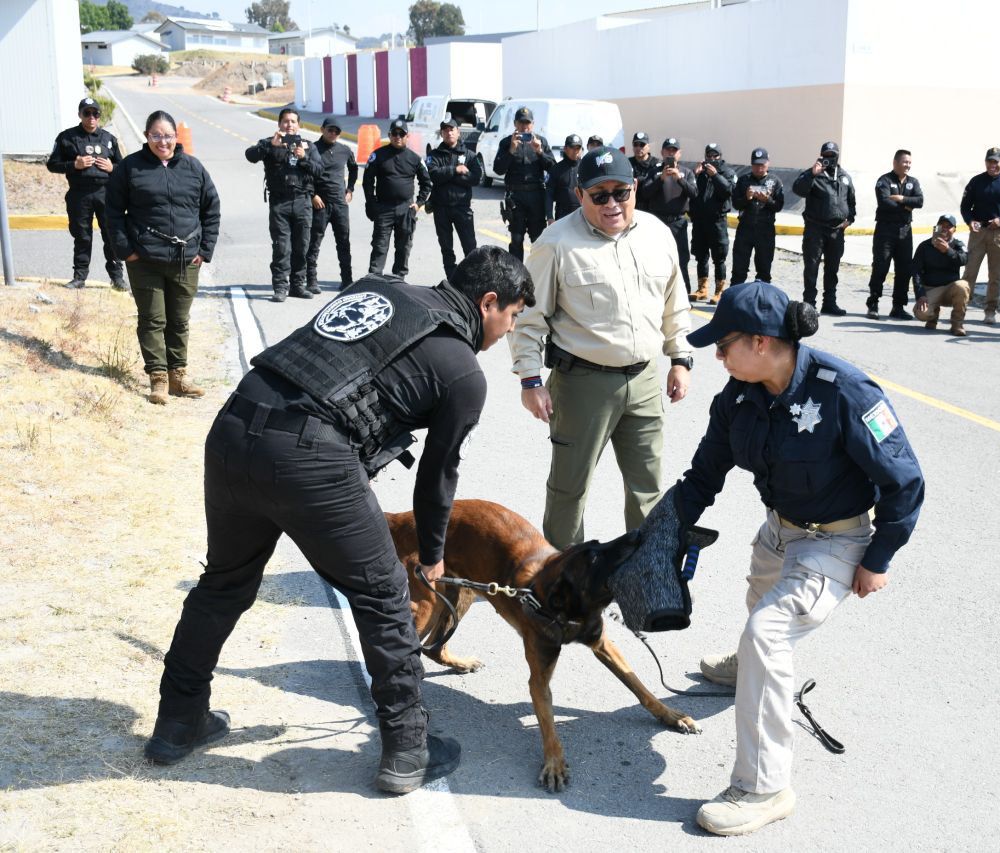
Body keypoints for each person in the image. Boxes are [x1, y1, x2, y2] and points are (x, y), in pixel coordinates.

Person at [143, 247, 536, 795]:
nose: (509, 329)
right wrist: (432, 554)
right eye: (513, 315)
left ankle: (177, 722)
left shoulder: (380, 287)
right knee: (385, 596)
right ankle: (408, 750)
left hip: (234, 429)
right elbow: (437, 477)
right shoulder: (464, 373)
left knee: (223, 584)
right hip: (311, 456)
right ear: (489, 302)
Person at [679, 281, 925, 837]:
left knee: (767, 633)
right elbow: (704, 473)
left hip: (835, 540)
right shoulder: (739, 396)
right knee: (758, 610)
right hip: (779, 529)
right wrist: (663, 531)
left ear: (761, 342)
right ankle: (751, 669)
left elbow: (906, 482)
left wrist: (879, 558)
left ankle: (764, 787)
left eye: (723, 345)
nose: (717, 357)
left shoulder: (846, 392)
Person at [510, 146, 692, 549]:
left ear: (634, 188)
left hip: (645, 381)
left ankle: (643, 574)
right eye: (599, 195)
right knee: (569, 490)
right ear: (580, 195)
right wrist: (529, 380)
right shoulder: (556, 243)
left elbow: (674, 301)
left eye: (620, 193)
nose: (612, 204)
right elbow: (527, 319)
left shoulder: (657, 234)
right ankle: (563, 575)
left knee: (647, 489)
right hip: (582, 383)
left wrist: (680, 359)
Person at [105, 110, 220, 406]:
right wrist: (126, 251)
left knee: (179, 320)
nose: (162, 141)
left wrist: (204, 250)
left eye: (167, 136)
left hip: (185, 259)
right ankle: (158, 378)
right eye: (156, 135)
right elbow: (113, 212)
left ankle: (178, 376)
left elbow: (211, 209)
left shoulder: (193, 167)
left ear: (176, 137)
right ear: (147, 136)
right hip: (144, 260)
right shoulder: (129, 168)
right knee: (153, 319)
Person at [47, 97, 125, 291]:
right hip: (79, 194)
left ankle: (117, 278)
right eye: (87, 113)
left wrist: (112, 168)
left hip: (106, 194)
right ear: (80, 115)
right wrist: (74, 164)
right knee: (82, 237)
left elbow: (124, 168)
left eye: (95, 113)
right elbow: (52, 165)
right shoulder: (66, 137)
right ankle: (79, 277)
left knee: (111, 236)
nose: (91, 117)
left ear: (99, 116)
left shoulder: (109, 139)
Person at [246, 108, 323, 301]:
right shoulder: (269, 142)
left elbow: (319, 171)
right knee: (282, 247)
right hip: (279, 203)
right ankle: (280, 287)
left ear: (299, 125)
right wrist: (269, 147)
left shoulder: (308, 146)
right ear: (279, 124)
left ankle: (297, 286)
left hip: (302, 202)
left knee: (302, 246)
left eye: (293, 121)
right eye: (286, 121)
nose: (289, 125)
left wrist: (304, 158)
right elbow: (250, 155)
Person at [960, 147, 1000, 325]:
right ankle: (960, 309)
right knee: (970, 273)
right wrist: (970, 221)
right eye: (989, 161)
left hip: (999, 234)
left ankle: (990, 311)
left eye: (996, 162)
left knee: (995, 277)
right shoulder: (976, 181)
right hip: (978, 233)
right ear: (985, 162)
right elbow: (965, 207)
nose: (992, 165)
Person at [363, 116, 431, 279]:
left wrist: (419, 203)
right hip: (383, 207)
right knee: (380, 244)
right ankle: (374, 277)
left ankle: (399, 277)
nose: (398, 137)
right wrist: (372, 203)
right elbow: (367, 181)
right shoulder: (378, 155)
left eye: (402, 134)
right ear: (389, 135)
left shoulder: (415, 158)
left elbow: (427, 183)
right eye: (394, 134)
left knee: (404, 246)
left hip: (405, 209)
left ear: (407, 136)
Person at [793, 141, 856, 315]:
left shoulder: (844, 176)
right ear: (821, 156)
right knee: (811, 267)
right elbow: (798, 189)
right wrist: (812, 174)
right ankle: (809, 303)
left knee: (832, 268)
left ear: (837, 156)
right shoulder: (813, 173)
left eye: (832, 155)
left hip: (836, 231)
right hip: (815, 229)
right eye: (826, 155)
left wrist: (849, 219)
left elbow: (852, 202)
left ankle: (829, 302)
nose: (829, 158)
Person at [867, 149, 924, 320]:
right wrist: (906, 207)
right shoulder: (884, 180)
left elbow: (920, 201)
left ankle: (898, 306)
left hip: (905, 231)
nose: (908, 165)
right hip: (885, 230)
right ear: (895, 162)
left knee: (904, 270)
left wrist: (901, 199)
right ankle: (873, 303)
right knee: (881, 267)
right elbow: (884, 202)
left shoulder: (913, 182)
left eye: (909, 162)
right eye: (905, 162)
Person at [493, 106, 554, 261]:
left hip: (536, 196)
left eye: (527, 123)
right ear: (515, 124)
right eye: (521, 122)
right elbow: (498, 169)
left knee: (538, 239)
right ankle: (517, 274)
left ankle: (537, 272)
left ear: (532, 124)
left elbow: (553, 168)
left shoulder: (541, 142)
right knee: (516, 239)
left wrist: (539, 152)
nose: (524, 126)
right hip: (516, 196)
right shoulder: (506, 142)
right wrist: (511, 150)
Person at [305, 118, 358, 291]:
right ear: (322, 129)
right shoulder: (312, 149)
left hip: (340, 204)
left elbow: (354, 169)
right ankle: (311, 281)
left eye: (336, 131)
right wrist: (312, 195)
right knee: (314, 243)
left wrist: (350, 189)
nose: (333, 133)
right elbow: (304, 173)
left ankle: (347, 280)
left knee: (344, 242)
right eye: (330, 130)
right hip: (320, 204)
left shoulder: (345, 150)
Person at [426, 118, 481, 281]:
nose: (449, 132)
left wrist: (448, 177)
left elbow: (475, 178)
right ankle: (452, 279)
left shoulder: (469, 155)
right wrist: (455, 170)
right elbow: (433, 175)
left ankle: (472, 280)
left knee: (470, 247)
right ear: (441, 133)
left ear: (458, 132)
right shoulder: (434, 155)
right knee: (446, 248)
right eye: (445, 130)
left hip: (462, 208)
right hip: (441, 208)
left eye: (452, 129)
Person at [642, 137, 698, 294]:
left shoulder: (686, 172)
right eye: (668, 150)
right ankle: (657, 293)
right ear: (662, 152)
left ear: (679, 153)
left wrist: (679, 179)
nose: (671, 153)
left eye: (674, 150)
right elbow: (645, 193)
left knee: (681, 260)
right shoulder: (654, 171)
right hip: (658, 222)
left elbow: (694, 193)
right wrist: (660, 179)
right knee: (655, 259)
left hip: (677, 223)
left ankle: (684, 294)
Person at [689, 142, 737, 303]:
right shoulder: (700, 172)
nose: (711, 159)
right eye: (709, 156)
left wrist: (715, 175)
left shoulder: (727, 172)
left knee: (719, 257)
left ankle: (719, 291)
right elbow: (690, 191)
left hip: (717, 221)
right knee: (701, 255)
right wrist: (695, 175)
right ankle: (702, 288)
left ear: (720, 157)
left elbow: (728, 191)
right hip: (700, 220)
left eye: (715, 156)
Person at [730, 147, 785, 289]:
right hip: (745, 228)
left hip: (765, 229)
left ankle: (762, 298)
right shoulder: (743, 180)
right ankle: (735, 297)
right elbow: (735, 204)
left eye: (762, 164)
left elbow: (779, 206)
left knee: (764, 269)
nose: (759, 168)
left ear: (768, 163)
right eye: (755, 165)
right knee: (739, 268)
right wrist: (747, 198)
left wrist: (767, 200)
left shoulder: (775, 181)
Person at [911, 214, 970, 336]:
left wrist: (948, 251)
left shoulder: (958, 245)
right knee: (921, 314)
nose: (945, 229)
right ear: (936, 228)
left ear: (954, 229)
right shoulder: (924, 246)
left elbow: (964, 260)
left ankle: (957, 324)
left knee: (963, 286)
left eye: (949, 226)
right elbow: (916, 272)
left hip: (950, 289)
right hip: (931, 289)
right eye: (942, 226)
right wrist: (920, 295)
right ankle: (933, 315)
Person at [546, 133, 584, 222]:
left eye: (578, 148)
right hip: (562, 214)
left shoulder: (586, 167)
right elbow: (549, 194)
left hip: (582, 213)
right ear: (565, 149)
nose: (575, 151)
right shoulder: (556, 169)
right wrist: (549, 216)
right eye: (572, 148)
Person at [629, 131, 659, 213]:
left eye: (642, 145)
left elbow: (656, 181)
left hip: (652, 208)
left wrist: (637, 180)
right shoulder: (627, 162)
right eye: (635, 145)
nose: (638, 148)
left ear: (648, 146)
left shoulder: (656, 163)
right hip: (633, 206)